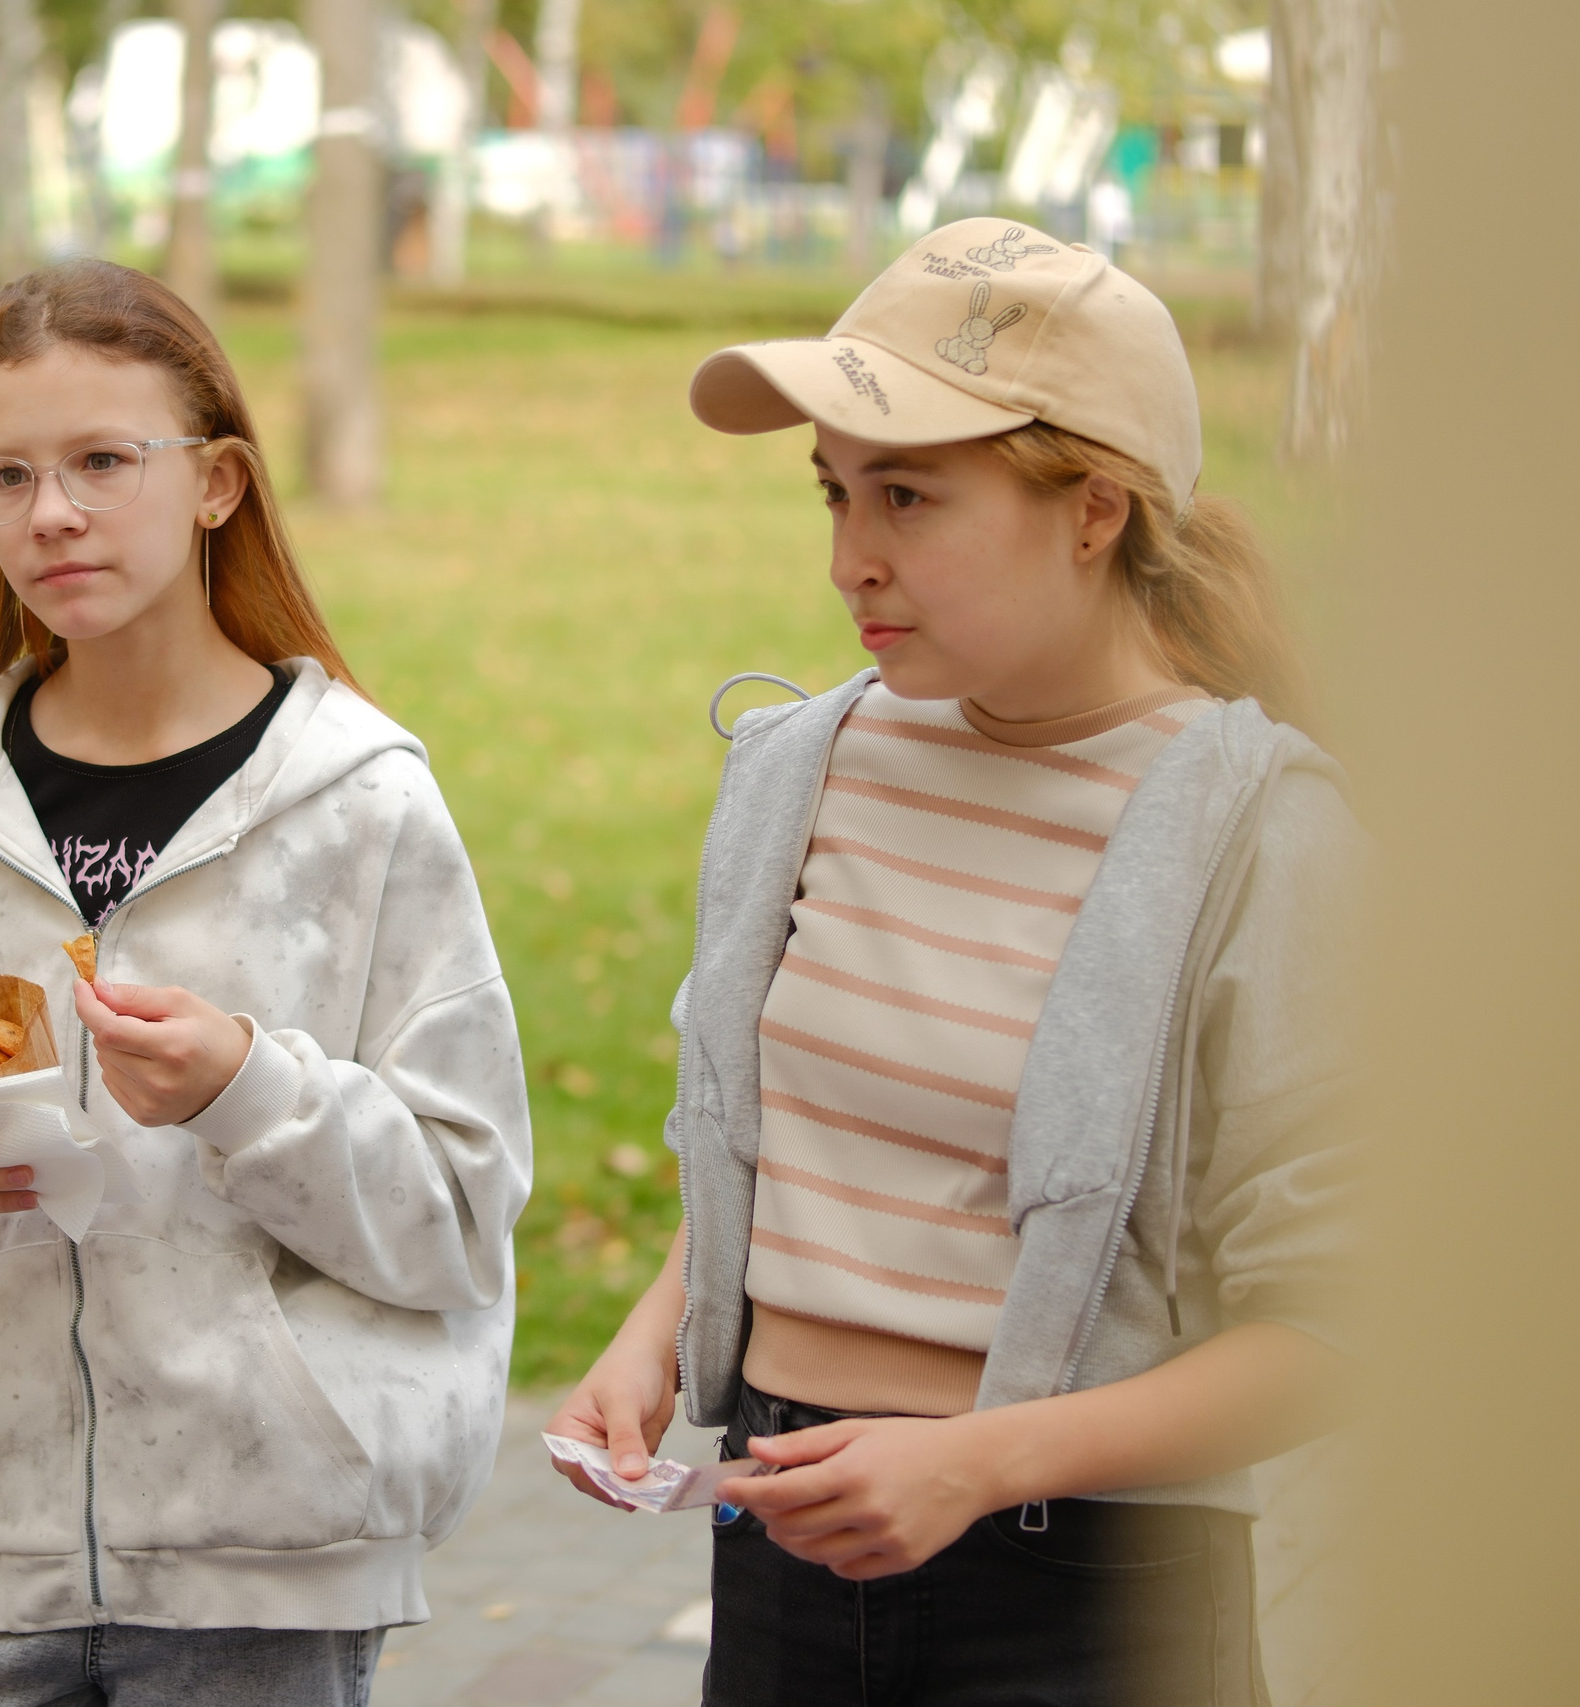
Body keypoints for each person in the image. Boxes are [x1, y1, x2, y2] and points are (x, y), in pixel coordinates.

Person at [548, 220, 1361, 1705]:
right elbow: (766, 1139)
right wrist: (656, 1335)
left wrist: (980, 1465)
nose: (853, 559)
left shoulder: (1260, 829)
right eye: (836, 495)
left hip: (1090, 1598)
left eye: (910, 497)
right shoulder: (803, 765)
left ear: (1095, 508)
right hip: (783, 1551)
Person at [0, 259, 530, 1707]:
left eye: (101, 462)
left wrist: (249, 1090)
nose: (51, 513)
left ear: (218, 485)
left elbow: (456, 1215)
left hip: (264, 1576)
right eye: (6, 475)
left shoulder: (364, 805)